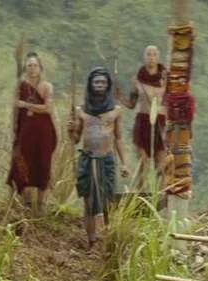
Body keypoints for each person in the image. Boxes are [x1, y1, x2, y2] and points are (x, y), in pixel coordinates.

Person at [72, 67, 127, 247]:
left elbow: (119, 138)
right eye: (96, 82)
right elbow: (75, 139)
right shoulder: (81, 111)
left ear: (108, 85)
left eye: (103, 82)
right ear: (90, 85)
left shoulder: (115, 111)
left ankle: (109, 237)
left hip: (106, 160)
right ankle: (91, 240)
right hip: (88, 160)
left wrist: (124, 164)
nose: (100, 85)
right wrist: (71, 129)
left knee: (108, 200)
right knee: (88, 202)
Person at [7, 53, 57, 212]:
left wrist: (26, 105)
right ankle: (27, 205)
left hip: (43, 132)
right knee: (22, 164)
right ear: (25, 68)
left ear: (40, 68)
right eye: (29, 65)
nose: (32, 68)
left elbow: (47, 108)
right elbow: (15, 109)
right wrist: (14, 129)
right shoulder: (20, 86)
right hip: (25, 131)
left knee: (43, 164)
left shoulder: (46, 86)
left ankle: (41, 206)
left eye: (35, 65)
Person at [126, 46, 168, 192]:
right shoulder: (137, 79)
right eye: (148, 54)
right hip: (143, 121)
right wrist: (119, 96)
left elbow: (171, 101)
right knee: (143, 164)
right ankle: (140, 197)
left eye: (154, 54)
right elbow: (131, 104)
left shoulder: (165, 78)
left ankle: (160, 198)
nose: (151, 57)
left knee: (161, 165)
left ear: (158, 57)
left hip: (161, 122)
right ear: (144, 57)